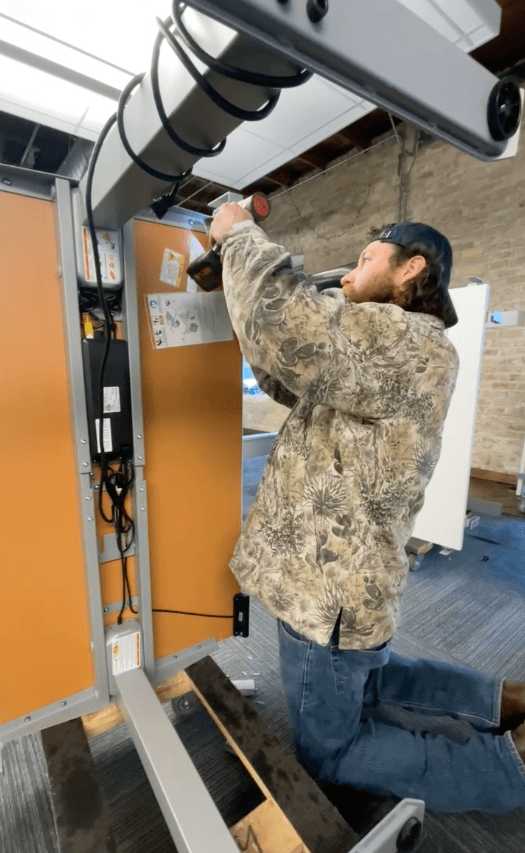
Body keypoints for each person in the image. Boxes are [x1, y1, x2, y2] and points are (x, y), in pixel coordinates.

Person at [209, 204, 525, 813]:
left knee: (329, 750)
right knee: (374, 681)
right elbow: (285, 370)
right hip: (338, 586)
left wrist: (237, 235)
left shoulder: (406, 340)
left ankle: (505, 770)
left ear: (411, 270)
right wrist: (246, 291)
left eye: (365, 259)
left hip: (328, 595)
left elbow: (290, 328)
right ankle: (501, 701)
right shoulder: (379, 345)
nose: (352, 269)